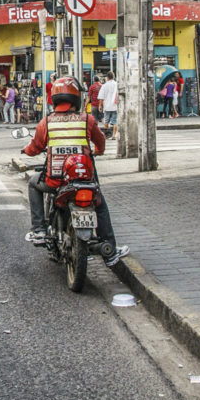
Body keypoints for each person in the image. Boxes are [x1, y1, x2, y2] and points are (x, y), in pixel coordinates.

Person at [21, 76, 128, 267]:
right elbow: (100, 140)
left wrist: (26, 151)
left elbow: (35, 146)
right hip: (84, 181)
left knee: (32, 184)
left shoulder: (47, 122)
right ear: (77, 98)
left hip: (55, 181)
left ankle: (38, 229)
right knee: (100, 204)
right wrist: (99, 151)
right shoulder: (87, 119)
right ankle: (110, 249)